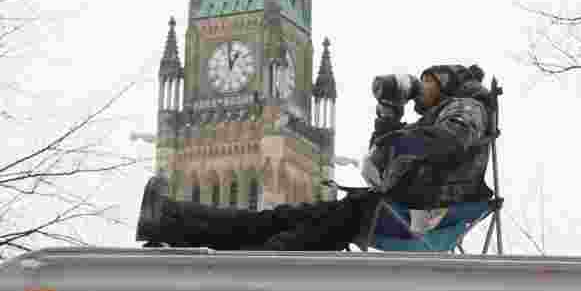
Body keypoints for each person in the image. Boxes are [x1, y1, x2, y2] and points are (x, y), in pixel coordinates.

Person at [135, 64, 494, 250]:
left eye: (429, 80)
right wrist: (389, 115)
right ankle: (171, 221)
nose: (421, 85)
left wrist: (401, 138)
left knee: (281, 232)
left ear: (448, 83)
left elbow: (448, 141)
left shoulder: (468, 108)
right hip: (384, 210)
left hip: (403, 216)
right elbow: (376, 168)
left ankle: (172, 223)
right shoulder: (431, 121)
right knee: (278, 220)